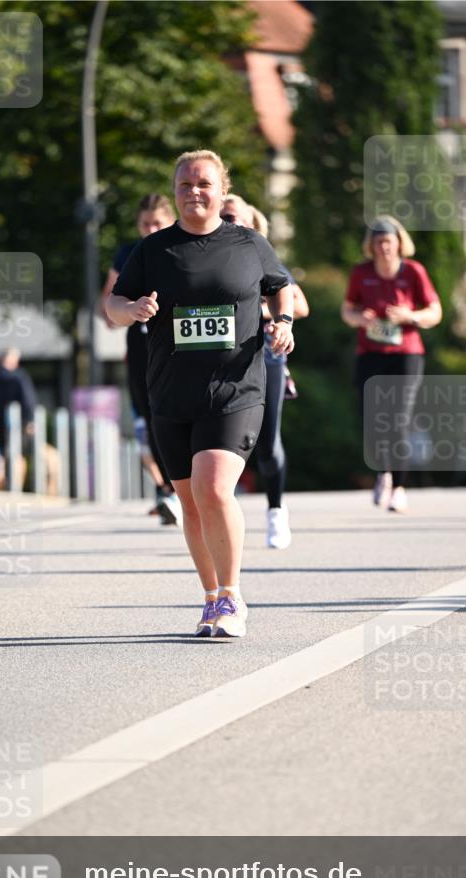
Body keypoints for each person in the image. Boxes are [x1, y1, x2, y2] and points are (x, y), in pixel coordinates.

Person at [106, 149, 294, 637]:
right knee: (190, 503)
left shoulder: (248, 243)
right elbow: (113, 303)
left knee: (213, 489)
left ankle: (232, 596)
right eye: (185, 184)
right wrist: (132, 310)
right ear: (175, 192)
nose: (194, 192)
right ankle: (210, 597)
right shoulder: (153, 250)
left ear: (221, 190)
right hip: (171, 393)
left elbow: (281, 285)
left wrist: (285, 322)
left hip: (236, 388)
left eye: (204, 183)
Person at [341, 215, 442, 513]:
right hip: (370, 354)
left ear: (399, 243)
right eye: (378, 242)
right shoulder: (361, 273)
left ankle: (398, 487)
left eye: (388, 241)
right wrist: (360, 318)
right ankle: (382, 473)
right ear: (370, 246)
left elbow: (435, 311)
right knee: (371, 418)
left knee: (398, 419)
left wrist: (410, 316)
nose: (384, 247)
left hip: (406, 354)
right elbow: (347, 310)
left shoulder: (413, 271)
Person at [100, 194, 181, 525]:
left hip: (179, 345)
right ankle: (170, 490)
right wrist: (130, 309)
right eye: (146, 224)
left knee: (181, 412)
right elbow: (107, 306)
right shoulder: (129, 254)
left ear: (171, 221)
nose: (151, 230)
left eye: (157, 223)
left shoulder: (182, 247)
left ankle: (185, 487)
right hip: (141, 347)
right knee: (150, 419)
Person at [247, 203, 309, 548]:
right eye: (223, 217)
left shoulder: (265, 257)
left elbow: (299, 305)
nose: (226, 221)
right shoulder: (209, 256)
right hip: (218, 360)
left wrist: (260, 311)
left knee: (267, 442)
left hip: (266, 356)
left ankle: (275, 510)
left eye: (233, 217)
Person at [0, 347, 36, 487]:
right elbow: (28, 401)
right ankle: (13, 487)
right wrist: (29, 421)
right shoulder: (20, 377)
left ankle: (3, 487)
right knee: (15, 456)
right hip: (14, 425)